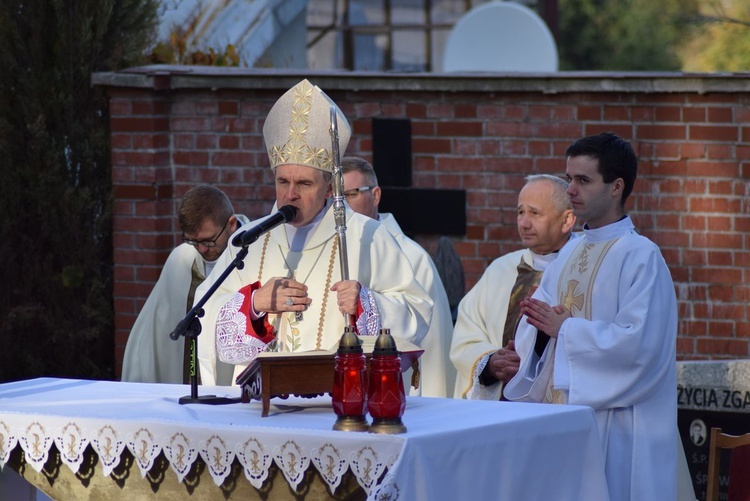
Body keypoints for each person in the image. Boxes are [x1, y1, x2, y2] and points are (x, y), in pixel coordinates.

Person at [195, 79, 432, 386]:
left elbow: (417, 314)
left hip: (340, 402)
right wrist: (254, 304)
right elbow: (205, 310)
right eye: (283, 182)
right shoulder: (251, 240)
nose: (290, 194)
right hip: (262, 405)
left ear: (329, 188)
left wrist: (367, 305)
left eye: (304, 184)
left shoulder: (367, 236)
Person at [503, 132, 680, 501]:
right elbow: (539, 331)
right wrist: (534, 331)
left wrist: (565, 330)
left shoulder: (641, 256)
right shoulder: (569, 253)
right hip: (563, 422)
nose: (570, 190)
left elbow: (641, 347)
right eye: (569, 179)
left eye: (583, 180)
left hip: (618, 427)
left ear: (616, 186)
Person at [450, 174, 576, 399]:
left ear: (567, 220)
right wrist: (490, 362)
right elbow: (466, 335)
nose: (524, 223)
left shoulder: (584, 270)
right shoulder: (501, 270)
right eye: (520, 212)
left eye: (534, 213)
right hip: (502, 406)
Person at [341, 156, 456, 398]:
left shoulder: (412, 258)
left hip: (398, 391)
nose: (342, 206)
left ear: (375, 196)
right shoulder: (334, 253)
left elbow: (431, 345)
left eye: (350, 194)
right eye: (336, 197)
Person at [121, 185, 249, 383]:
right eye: (192, 241)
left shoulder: (258, 254)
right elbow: (149, 337)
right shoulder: (181, 260)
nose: (201, 250)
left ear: (231, 224)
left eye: (208, 241)